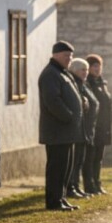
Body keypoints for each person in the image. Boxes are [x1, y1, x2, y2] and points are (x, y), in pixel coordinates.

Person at [38, 41, 84, 211]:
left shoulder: (62, 72)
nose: (69, 59)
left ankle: (61, 198)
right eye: (66, 56)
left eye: (71, 56)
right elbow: (53, 101)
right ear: (56, 55)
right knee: (57, 168)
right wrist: (69, 116)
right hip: (57, 131)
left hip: (67, 131)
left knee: (66, 168)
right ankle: (54, 201)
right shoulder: (50, 74)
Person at [67, 58, 98, 198]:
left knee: (80, 160)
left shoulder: (83, 84)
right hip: (79, 128)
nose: (86, 72)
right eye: (82, 70)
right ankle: (72, 187)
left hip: (86, 129)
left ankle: (76, 187)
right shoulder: (75, 84)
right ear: (74, 70)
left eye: (86, 69)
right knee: (75, 161)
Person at [83, 54, 112, 195]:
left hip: (103, 127)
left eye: (99, 65)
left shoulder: (102, 83)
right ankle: (89, 185)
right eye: (94, 66)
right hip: (93, 126)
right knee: (90, 157)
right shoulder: (87, 84)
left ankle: (97, 183)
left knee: (99, 157)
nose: (97, 68)